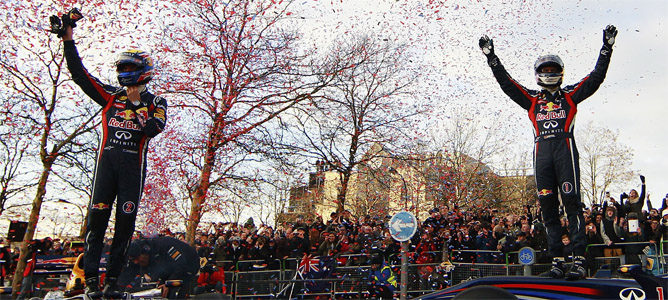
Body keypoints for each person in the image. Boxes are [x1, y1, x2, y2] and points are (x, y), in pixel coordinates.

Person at [478, 25, 617, 280]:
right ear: (538, 75)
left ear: (561, 73)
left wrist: (606, 48)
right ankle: (557, 260)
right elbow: (508, 85)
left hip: (565, 150)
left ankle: (578, 260)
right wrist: (492, 59)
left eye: (553, 70)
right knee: (548, 208)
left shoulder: (571, 95)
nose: (549, 73)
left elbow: (595, 78)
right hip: (541, 153)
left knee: (572, 205)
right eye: (545, 70)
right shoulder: (532, 99)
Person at [59, 11, 167, 297]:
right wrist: (69, 40)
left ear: (142, 69)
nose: (124, 71)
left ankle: (113, 283)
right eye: (122, 66)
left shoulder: (157, 101)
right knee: (96, 226)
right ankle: (91, 282)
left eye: (129, 66)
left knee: (124, 229)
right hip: (106, 168)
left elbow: (154, 129)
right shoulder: (110, 96)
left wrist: (136, 105)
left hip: (132, 171)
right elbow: (80, 76)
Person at [123, 237, 199, 299]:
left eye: (137, 259)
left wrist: (168, 284)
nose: (136, 262)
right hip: (170, 269)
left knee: (173, 292)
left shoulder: (165, 245)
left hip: (189, 265)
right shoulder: (148, 256)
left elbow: (181, 264)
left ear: (145, 252)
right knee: (160, 291)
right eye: (133, 260)